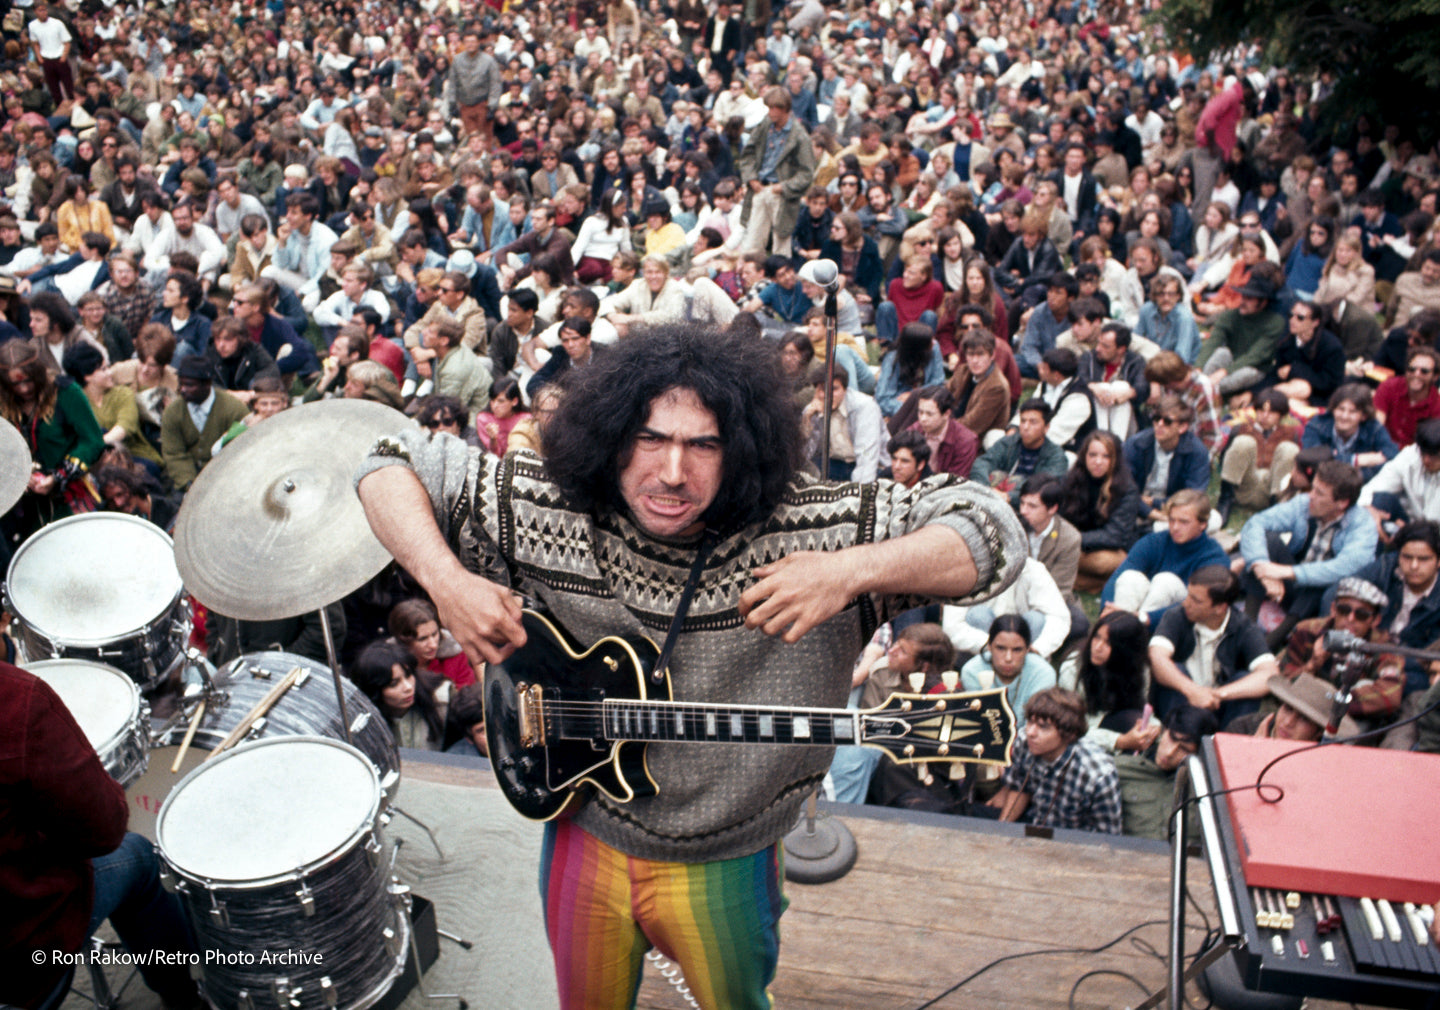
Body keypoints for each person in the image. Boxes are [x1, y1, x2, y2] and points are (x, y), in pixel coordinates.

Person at [355, 323, 1024, 1009]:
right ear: (611, 433)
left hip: (726, 861)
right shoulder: (543, 502)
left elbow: (994, 532)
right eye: (650, 439)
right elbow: (382, 462)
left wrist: (849, 572)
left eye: (704, 445)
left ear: (744, 449)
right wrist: (447, 581)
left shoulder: (819, 529)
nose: (673, 472)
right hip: (581, 825)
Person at [1, 661, 201, 1010]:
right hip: (21, 958)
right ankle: (184, 997)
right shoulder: (16, 698)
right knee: (138, 854)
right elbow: (104, 831)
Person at [1239, 459, 1375, 645]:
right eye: (1313, 488)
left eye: (1319, 493)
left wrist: (1286, 572)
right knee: (1269, 541)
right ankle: (1248, 623)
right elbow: (1256, 523)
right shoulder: (1304, 504)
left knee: (1321, 585)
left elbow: (1346, 566)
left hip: (1322, 600)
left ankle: (1273, 640)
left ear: (1342, 502)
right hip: (1291, 584)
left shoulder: (1363, 525)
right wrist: (1262, 568)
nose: (1310, 496)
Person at [0, 341, 105, 542]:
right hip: (22, 506)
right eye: (15, 384)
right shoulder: (2, 402)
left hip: (68, 495)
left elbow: (92, 441)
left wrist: (58, 477)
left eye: (28, 381)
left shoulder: (66, 392)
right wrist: (16, 473)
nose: (23, 389)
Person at [1149, 565, 1280, 726]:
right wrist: (1192, 690)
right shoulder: (1176, 616)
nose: (1186, 603)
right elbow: (1157, 656)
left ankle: (1228, 741)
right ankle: (1173, 733)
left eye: (1196, 600)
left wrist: (1219, 694)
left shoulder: (1243, 627)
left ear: (1220, 608)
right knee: (1175, 669)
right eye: (1188, 595)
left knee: (1245, 680)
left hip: (1219, 705)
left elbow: (1269, 674)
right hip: (1180, 700)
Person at [1274, 577, 1405, 737]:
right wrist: (1312, 664)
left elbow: (1390, 695)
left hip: (1348, 718)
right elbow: (1284, 683)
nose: (1350, 619)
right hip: (1301, 708)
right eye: (1344, 610)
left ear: (1375, 620)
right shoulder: (1307, 631)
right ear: (1333, 609)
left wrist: (1331, 701)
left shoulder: (1385, 647)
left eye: (1361, 615)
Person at [987, 687, 1123, 835]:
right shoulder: (1025, 741)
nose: (1031, 732)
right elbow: (1019, 788)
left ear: (1070, 733)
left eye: (1043, 727)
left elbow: (1109, 838)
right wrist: (1000, 832)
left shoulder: (1098, 775)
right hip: (1034, 825)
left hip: (1075, 844)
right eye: (1030, 722)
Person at [1103, 490, 1228, 624]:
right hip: (1141, 609)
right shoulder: (1155, 541)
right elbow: (1118, 576)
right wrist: (1107, 608)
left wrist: (1146, 618)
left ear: (1202, 524)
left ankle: (1132, 630)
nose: (1175, 527)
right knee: (1131, 577)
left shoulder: (1214, 557)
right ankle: (1115, 628)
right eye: (1172, 520)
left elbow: (1197, 605)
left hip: (1181, 621)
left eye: (1183, 522)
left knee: (1166, 582)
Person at [1114, 705, 1218, 840]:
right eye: (1171, 739)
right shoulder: (1121, 769)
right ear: (1162, 731)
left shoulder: (1206, 788)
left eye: (1184, 749)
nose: (1170, 753)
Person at [1057, 611, 1156, 754]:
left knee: (1138, 725)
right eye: (1096, 638)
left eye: (1108, 643)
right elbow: (1069, 728)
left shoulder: (1140, 670)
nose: (1097, 647)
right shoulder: (1073, 670)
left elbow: (1142, 707)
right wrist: (1119, 741)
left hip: (1120, 723)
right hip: (1085, 734)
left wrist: (1153, 727)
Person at [1061, 430, 1144, 592]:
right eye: (1093, 455)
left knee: (1103, 563)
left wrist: (1073, 539)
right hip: (1077, 546)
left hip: (1106, 550)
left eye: (1106, 456)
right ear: (1084, 456)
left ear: (1115, 459)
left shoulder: (1127, 489)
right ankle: (1090, 582)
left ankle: (1070, 577)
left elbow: (1114, 536)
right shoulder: (1072, 480)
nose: (1098, 461)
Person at [62, 341, 161, 473]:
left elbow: (125, 426)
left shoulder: (123, 394)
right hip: (96, 462)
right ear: (87, 376)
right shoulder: (75, 403)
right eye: (103, 369)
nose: (110, 373)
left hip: (133, 456)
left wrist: (95, 446)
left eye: (108, 367)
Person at [158, 356, 250, 492]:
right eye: (181, 384)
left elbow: (244, 451)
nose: (182, 389)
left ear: (207, 384)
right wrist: (189, 484)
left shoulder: (234, 409)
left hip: (227, 476)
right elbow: (174, 454)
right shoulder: (172, 412)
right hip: (187, 479)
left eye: (189, 385)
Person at [1215, 389, 1303, 525]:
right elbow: (1224, 460)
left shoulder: (1290, 433)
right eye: (1261, 411)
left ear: (1281, 415)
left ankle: (1277, 508)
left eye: (1271, 412)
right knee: (1244, 441)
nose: (1265, 416)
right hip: (1244, 488)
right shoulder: (1241, 429)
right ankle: (1225, 500)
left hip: (1271, 490)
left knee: (1289, 449)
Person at [959, 614, 1058, 731]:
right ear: (989, 646)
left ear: (1028, 649)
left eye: (1017, 650)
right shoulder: (972, 671)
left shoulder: (1043, 673)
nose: (1008, 658)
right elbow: (977, 720)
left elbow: (1037, 724)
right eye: (1001, 648)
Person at [1124, 395, 1212, 525]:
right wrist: (1153, 513)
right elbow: (1124, 490)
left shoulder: (1197, 452)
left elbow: (1193, 497)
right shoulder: (1136, 444)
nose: (1159, 424)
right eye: (1156, 419)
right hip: (1136, 508)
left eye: (1167, 421)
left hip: (1175, 510)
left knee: (1214, 519)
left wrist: (1154, 502)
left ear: (1182, 427)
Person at [350, 640, 449, 751]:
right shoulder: (358, 722)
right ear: (374, 690)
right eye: (394, 684)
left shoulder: (443, 699)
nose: (408, 687)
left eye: (408, 675)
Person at [969, 398, 1068, 506]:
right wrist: (987, 488)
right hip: (992, 495)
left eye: (1033, 422)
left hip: (1027, 509)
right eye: (1023, 421)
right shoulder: (1008, 443)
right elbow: (982, 463)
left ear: (1046, 427)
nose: (1025, 427)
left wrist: (1009, 497)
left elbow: (1044, 488)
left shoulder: (1056, 457)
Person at [1301, 383, 1398, 482]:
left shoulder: (1373, 428)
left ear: (1363, 415)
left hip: (1359, 487)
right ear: (1333, 409)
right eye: (1341, 409)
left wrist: (1356, 477)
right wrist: (1356, 460)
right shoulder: (1317, 424)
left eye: (1352, 412)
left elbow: (1392, 455)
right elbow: (1311, 458)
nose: (1344, 416)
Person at [802, 371, 882, 482]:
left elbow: (867, 456)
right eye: (822, 389)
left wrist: (860, 492)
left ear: (845, 389)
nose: (827, 394)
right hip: (835, 464)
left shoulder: (864, 407)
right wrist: (807, 422)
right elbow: (806, 455)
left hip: (869, 466)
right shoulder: (812, 410)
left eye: (833, 389)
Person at [389, 597, 477, 690]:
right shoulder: (389, 664)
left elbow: (468, 694)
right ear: (404, 641)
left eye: (434, 634)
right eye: (422, 639)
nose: (433, 645)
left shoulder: (455, 656)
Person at [1373, 346, 1440, 450]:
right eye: (1411, 369)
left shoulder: (1437, 405)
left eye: (1424, 371)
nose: (1416, 374)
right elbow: (1376, 427)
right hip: (1380, 448)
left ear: (1435, 376)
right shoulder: (1388, 387)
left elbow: (1430, 443)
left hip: (1413, 456)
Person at [908, 384, 978, 480]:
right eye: (920, 412)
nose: (923, 419)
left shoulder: (965, 442)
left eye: (929, 414)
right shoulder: (915, 430)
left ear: (946, 414)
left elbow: (955, 481)